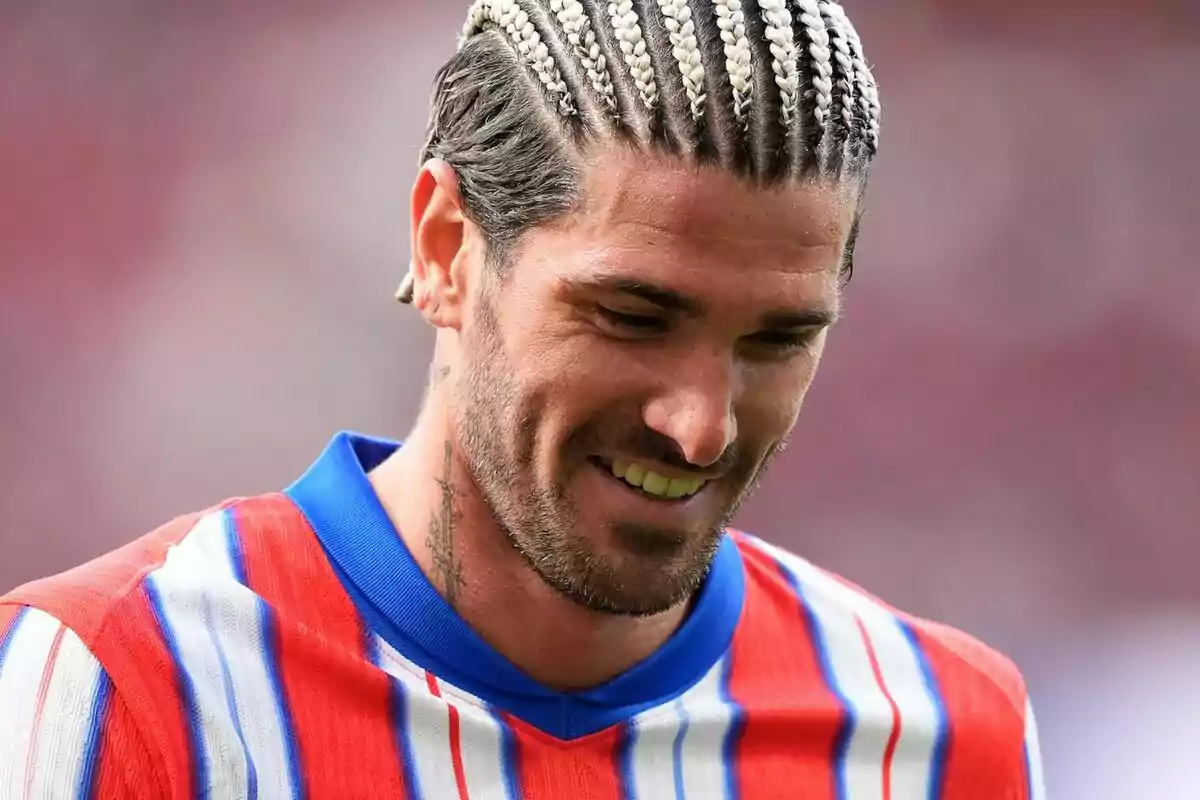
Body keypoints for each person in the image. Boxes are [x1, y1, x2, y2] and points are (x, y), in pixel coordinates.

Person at [0, 1, 1047, 798]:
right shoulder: (115, 686)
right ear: (446, 246)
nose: (701, 423)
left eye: (777, 339)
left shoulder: (945, 734)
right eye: (633, 315)